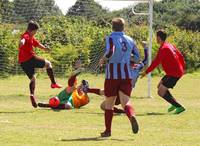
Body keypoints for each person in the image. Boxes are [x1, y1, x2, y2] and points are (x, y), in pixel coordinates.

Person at [98, 18, 140, 137]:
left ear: (112, 27)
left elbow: (111, 51)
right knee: (125, 101)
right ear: (123, 27)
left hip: (112, 76)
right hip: (127, 75)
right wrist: (126, 59)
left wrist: (103, 59)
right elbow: (137, 58)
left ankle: (108, 131)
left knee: (109, 103)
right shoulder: (130, 39)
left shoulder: (110, 37)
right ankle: (131, 116)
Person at [84, 44, 149, 114]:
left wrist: (104, 60)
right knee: (104, 92)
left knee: (103, 105)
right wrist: (145, 48)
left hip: (120, 90)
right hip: (127, 91)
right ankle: (87, 89)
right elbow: (145, 61)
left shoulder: (123, 67)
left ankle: (123, 112)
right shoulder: (138, 66)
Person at [18, 21, 62, 108]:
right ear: (32, 30)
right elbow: (23, 39)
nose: (35, 33)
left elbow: (37, 44)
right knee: (48, 64)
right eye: (35, 31)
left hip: (23, 62)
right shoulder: (26, 35)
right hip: (30, 59)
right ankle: (53, 83)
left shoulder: (30, 36)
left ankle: (31, 95)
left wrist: (45, 48)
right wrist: (21, 43)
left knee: (33, 79)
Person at [141, 29, 185, 114]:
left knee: (160, 92)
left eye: (156, 37)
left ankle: (179, 107)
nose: (155, 39)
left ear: (158, 37)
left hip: (174, 74)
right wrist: (183, 67)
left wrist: (145, 72)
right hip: (174, 72)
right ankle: (173, 103)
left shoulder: (164, 49)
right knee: (159, 86)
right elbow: (180, 56)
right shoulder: (169, 45)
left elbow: (156, 62)